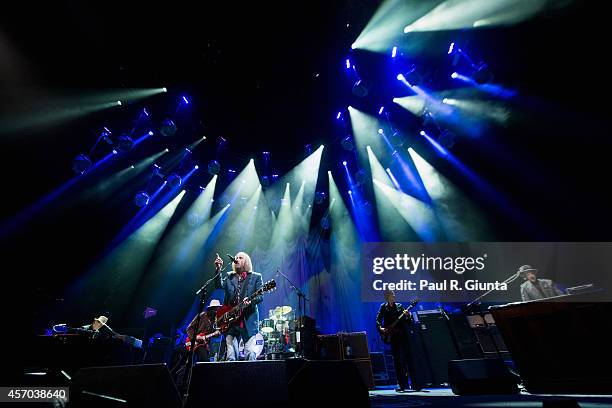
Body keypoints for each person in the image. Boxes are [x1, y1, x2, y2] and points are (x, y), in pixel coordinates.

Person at [214, 252, 263, 361]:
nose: (237, 259)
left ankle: (251, 376)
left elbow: (260, 296)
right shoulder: (229, 276)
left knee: (250, 352)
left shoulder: (256, 277)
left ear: (246, 261)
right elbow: (218, 285)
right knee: (231, 355)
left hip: (248, 320)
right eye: (236, 258)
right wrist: (218, 269)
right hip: (231, 321)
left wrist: (250, 301)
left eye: (240, 258)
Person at [376, 290, 422, 392]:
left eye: (394, 294)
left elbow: (407, 322)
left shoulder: (400, 306)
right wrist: (381, 328)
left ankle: (415, 384)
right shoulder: (383, 307)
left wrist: (408, 316)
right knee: (397, 361)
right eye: (392, 294)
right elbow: (378, 320)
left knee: (409, 359)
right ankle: (402, 385)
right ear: (388, 296)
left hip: (403, 335)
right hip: (393, 337)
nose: (394, 295)